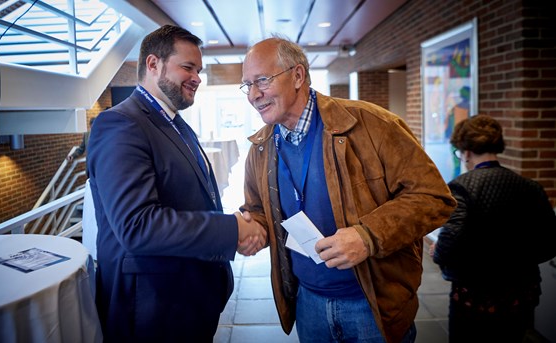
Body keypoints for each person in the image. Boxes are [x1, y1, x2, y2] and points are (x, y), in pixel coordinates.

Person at [238, 36, 457, 343]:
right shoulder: (260, 148)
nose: (253, 94)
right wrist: (250, 229)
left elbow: (434, 197)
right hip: (308, 303)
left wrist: (368, 236)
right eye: (246, 85)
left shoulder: (372, 123)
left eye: (262, 80)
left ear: (298, 75)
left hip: (372, 304)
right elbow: (259, 210)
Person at [86, 25, 266, 342]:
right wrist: (233, 230)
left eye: (198, 69)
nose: (197, 77)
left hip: (185, 300)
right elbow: (137, 226)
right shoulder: (120, 124)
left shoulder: (176, 124)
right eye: (188, 67)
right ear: (153, 64)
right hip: (151, 311)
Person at [431, 114, 556, 343]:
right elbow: (549, 243)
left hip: (476, 292)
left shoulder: (461, 187)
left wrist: (437, 252)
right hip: (521, 291)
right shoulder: (530, 187)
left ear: (466, 152)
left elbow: (449, 241)